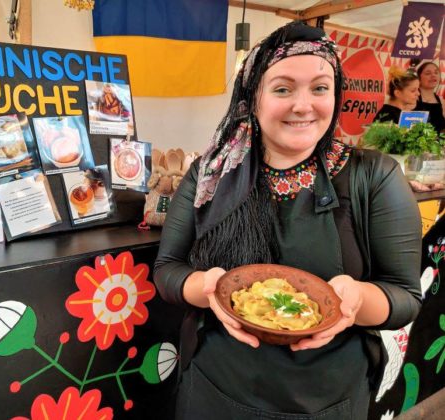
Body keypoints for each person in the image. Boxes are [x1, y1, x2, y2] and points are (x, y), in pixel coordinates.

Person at [154, 21, 422, 420]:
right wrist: (206, 288)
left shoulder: (374, 176)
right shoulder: (209, 175)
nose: (303, 105)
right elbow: (167, 270)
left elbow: (405, 297)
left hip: (327, 400)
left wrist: (357, 300)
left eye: (320, 88)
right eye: (283, 89)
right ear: (253, 98)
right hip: (215, 387)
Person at [414, 62, 445, 133]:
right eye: (428, 73)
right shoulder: (413, 98)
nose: (433, 75)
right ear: (419, 78)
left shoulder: (441, 101)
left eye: (436, 73)